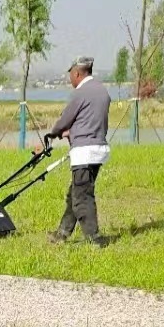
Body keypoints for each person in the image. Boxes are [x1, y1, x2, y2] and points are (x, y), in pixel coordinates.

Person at [44, 56, 111, 247]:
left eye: (70, 76)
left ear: (77, 73)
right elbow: (93, 121)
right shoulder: (102, 92)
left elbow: (67, 117)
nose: (70, 80)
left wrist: (55, 132)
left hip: (83, 152)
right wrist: (72, 132)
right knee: (76, 192)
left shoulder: (80, 93)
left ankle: (95, 239)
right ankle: (62, 233)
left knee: (81, 197)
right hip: (98, 149)